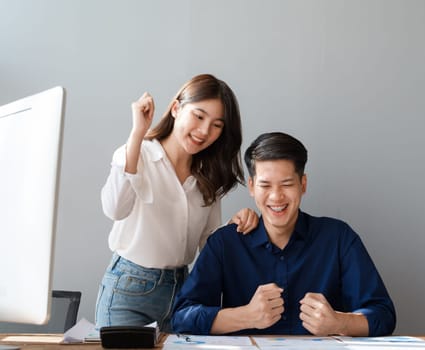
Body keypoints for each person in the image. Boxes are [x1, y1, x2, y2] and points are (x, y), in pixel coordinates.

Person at [171, 132, 396, 336]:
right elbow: (182, 317)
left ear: (303, 184)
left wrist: (339, 323)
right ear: (251, 187)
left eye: (287, 184)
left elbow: (383, 315)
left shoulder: (338, 238)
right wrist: (245, 316)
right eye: (265, 185)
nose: (276, 197)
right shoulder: (225, 243)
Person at [95, 74, 258, 332]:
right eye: (199, 116)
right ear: (176, 108)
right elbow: (114, 208)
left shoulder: (208, 175)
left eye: (217, 125)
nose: (205, 131)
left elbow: (209, 241)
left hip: (183, 291)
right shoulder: (139, 152)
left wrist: (235, 225)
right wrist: (137, 133)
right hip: (130, 290)